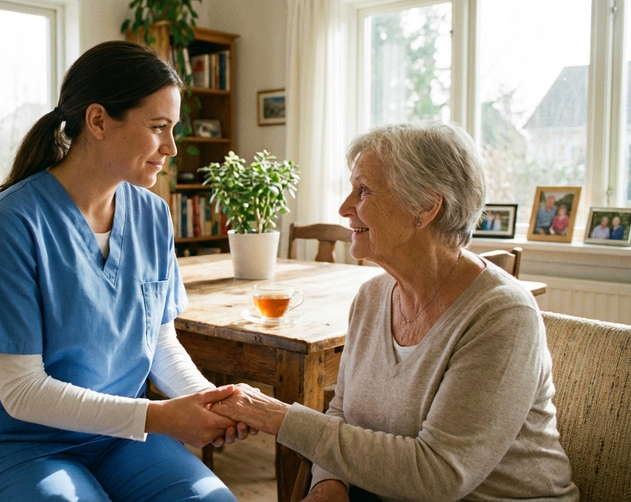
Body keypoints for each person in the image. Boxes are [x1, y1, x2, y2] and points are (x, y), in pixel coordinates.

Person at [212, 122, 578, 501]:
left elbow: (439, 475)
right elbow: (342, 412)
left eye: (363, 190)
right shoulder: (372, 297)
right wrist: (328, 483)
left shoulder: (502, 315)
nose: (343, 207)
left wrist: (278, 417)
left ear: (425, 206)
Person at [0, 41, 247, 502]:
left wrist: (210, 401)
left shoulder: (152, 215)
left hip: (121, 441)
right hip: (22, 448)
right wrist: (160, 417)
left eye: (174, 129)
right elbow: (22, 391)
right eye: (158, 127)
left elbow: (160, 342)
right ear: (98, 121)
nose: (171, 147)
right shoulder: (9, 224)